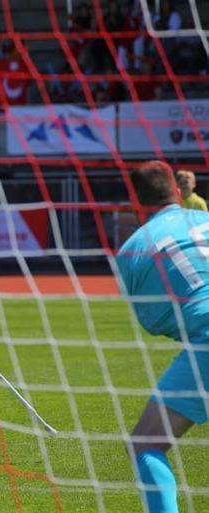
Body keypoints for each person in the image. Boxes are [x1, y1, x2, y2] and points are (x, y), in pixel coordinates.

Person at [116, 160, 209, 513]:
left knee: (145, 444)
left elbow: (153, 322)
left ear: (135, 200)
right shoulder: (205, 218)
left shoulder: (132, 249)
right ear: (177, 190)